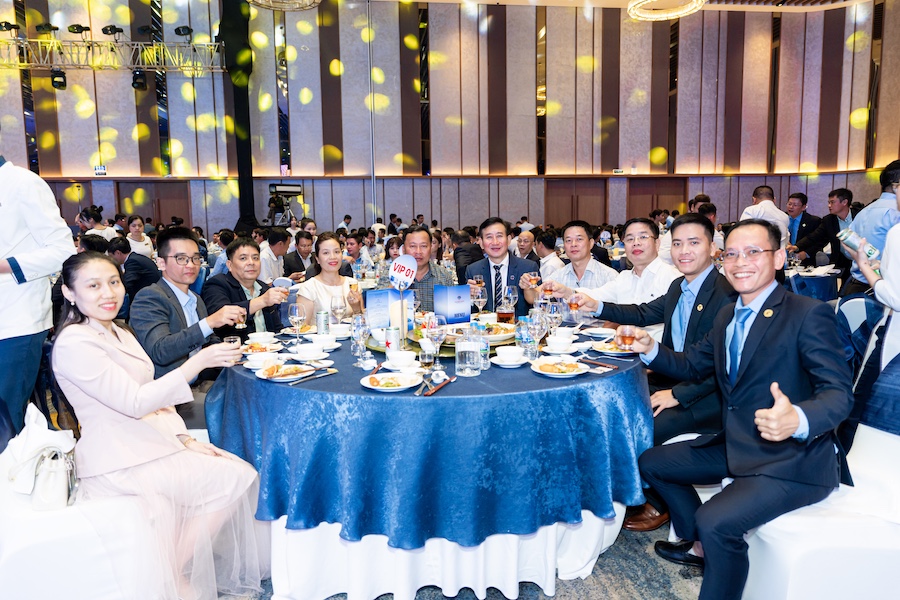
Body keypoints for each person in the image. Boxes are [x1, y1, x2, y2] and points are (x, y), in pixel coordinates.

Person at [632, 219, 852, 600]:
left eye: (753, 252)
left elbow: (839, 394)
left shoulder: (806, 313)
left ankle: (711, 549)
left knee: (715, 520)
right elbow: (691, 365)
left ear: (778, 258)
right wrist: (649, 348)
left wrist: (798, 419)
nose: (740, 262)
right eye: (731, 254)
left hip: (792, 459)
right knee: (651, 462)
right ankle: (697, 543)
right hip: (739, 442)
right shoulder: (728, 315)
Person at [51, 251, 264, 600]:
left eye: (114, 282)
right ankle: (172, 571)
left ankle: (170, 568)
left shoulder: (118, 331)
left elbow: (154, 396)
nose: (108, 293)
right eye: (94, 286)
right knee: (235, 477)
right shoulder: (76, 342)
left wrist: (184, 438)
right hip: (117, 458)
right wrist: (197, 362)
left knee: (235, 470)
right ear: (69, 293)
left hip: (150, 442)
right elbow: (135, 402)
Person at [597, 214, 736, 532]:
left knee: (645, 426)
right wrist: (596, 306)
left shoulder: (726, 294)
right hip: (675, 378)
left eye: (693, 242)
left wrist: (677, 394)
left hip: (709, 396)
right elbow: (642, 313)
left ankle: (658, 501)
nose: (684, 251)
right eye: (677, 244)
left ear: (712, 247)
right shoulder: (678, 287)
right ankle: (627, 491)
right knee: (617, 405)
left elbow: (722, 367)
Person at [0, 145, 75, 440]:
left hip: (15, 321)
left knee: (5, 420)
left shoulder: (23, 183)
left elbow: (63, 250)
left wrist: (6, 265)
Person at [130, 227, 245, 380]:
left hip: (202, 380)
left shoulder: (195, 298)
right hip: (170, 389)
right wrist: (209, 322)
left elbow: (208, 340)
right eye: (181, 258)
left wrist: (234, 351)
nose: (191, 265)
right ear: (161, 263)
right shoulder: (149, 297)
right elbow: (160, 351)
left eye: (195, 258)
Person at [549, 218, 680, 339]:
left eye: (643, 237)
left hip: (657, 352)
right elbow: (595, 295)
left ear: (657, 243)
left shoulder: (674, 279)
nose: (636, 243)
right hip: (621, 349)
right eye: (630, 239)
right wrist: (567, 292)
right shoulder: (624, 278)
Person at [202, 238, 287, 341]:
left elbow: (277, 329)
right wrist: (262, 301)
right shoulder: (217, 284)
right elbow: (220, 315)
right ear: (230, 265)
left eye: (255, 258)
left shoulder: (264, 288)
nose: (251, 262)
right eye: (243, 258)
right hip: (234, 349)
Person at [841, 160, 900, 296]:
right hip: (882, 289)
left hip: (856, 285)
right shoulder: (895, 213)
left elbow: (847, 251)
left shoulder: (864, 211)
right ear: (895, 186)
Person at [522, 220, 616, 305]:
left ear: (591, 243)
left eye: (579, 239)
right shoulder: (559, 275)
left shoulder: (609, 275)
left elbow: (617, 312)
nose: (573, 244)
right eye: (568, 240)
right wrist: (527, 287)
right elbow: (534, 297)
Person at [465, 218, 538, 318]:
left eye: (499, 236)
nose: (495, 242)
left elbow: (538, 304)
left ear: (509, 240)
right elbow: (469, 312)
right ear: (481, 243)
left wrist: (530, 290)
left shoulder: (528, 267)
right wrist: (468, 298)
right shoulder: (473, 270)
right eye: (489, 237)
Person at [377, 226, 455, 313]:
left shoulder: (443, 276)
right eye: (412, 246)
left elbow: (453, 311)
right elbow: (377, 308)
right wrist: (396, 285)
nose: (418, 252)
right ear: (403, 249)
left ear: (430, 248)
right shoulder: (390, 273)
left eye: (423, 246)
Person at [787, 188, 859, 281]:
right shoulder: (829, 220)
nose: (829, 205)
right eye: (829, 202)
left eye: (832, 202)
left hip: (862, 260)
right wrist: (796, 246)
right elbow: (814, 236)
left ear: (844, 202)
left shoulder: (859, 216)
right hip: (842, 263)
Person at [296, 232, 364, 317]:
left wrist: (356, 308)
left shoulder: (352, 284)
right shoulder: (308, 288)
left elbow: (362, 322)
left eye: (336, 252)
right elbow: (302, 324)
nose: (333, 257)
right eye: (326, 253)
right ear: (317, 259)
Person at [108, 236, 161, 304]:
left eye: (111, 256)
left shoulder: (132, 261)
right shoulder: (136, 257)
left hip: (147, 298)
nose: (111, 259)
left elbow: (128, 283)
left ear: (118, 253)